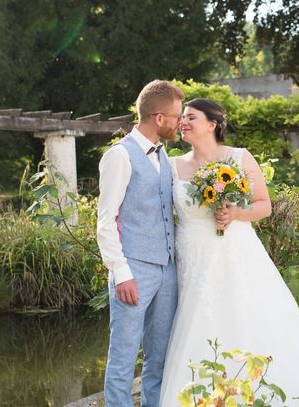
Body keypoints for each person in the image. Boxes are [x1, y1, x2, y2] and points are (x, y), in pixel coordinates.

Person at [159, 98, 299, 406]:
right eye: (182, 117)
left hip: (236, 253)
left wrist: (235, 212)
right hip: (192, 257)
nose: (183, 122)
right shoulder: (171, 166)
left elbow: (264, 205)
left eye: (191, 117)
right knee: (197, 320)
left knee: (248, 317)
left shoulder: (239, 157)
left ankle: (256, 390)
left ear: (212, 124)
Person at [97, 79, 185, 407]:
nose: (180, 122)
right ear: (159, 118)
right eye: (177, 116)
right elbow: (106, 220)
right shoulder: (120, 156)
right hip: (133, 270)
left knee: (159, 357)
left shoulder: (164, 158)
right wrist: (121, 273)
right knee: (122, 358)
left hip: (167, 270)